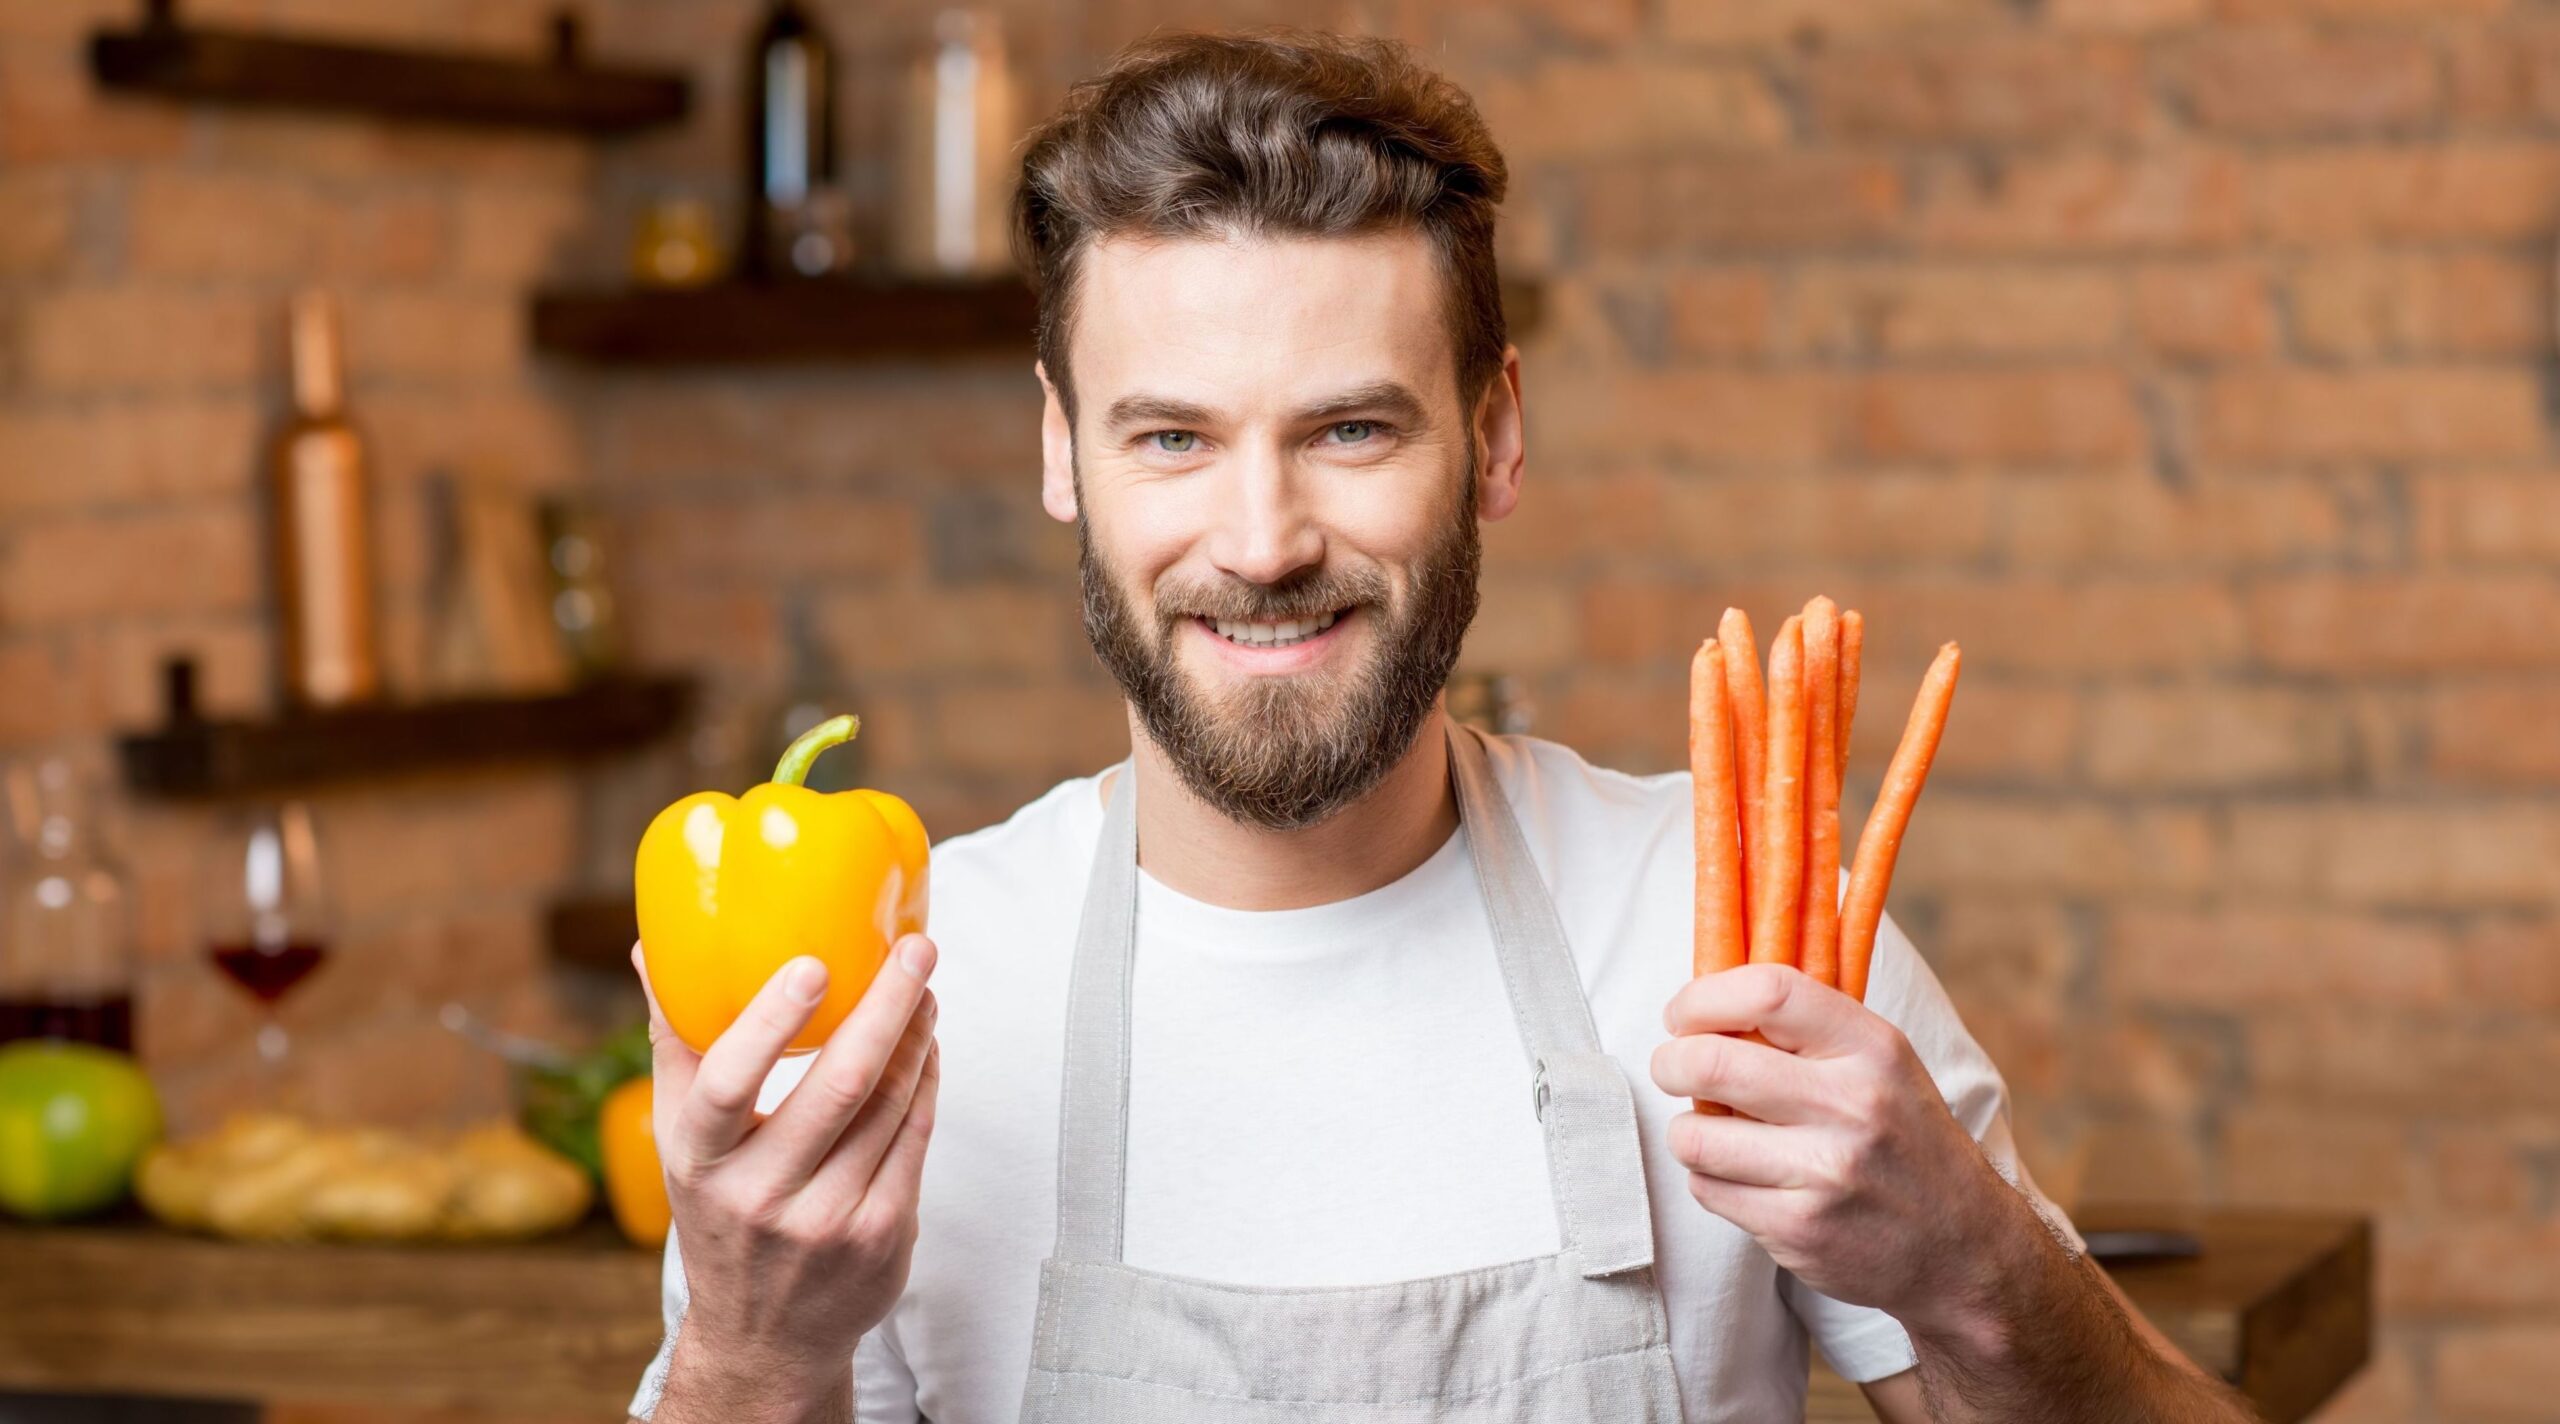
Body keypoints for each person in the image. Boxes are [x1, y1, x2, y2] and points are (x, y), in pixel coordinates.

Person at [627, 30, 2256, 1424]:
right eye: (1172, 437)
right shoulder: (905, 987)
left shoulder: (1743, 938)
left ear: (1494, 438)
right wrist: (753, 1349)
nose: (1261, 540)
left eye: (1349, 428)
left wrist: (1971, 1265)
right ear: (1065, 455)